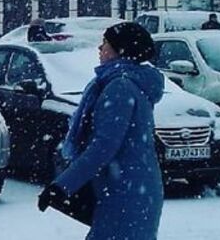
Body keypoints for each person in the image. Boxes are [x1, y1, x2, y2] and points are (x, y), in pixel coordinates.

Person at [38, 21, 164, 240]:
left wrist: (62, 186)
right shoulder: (129, 82)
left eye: (105, 43)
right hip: (132, 188)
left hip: (123, 193)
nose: (100, 48)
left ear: (120, 50)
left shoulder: (120, 87)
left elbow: (104, 147)